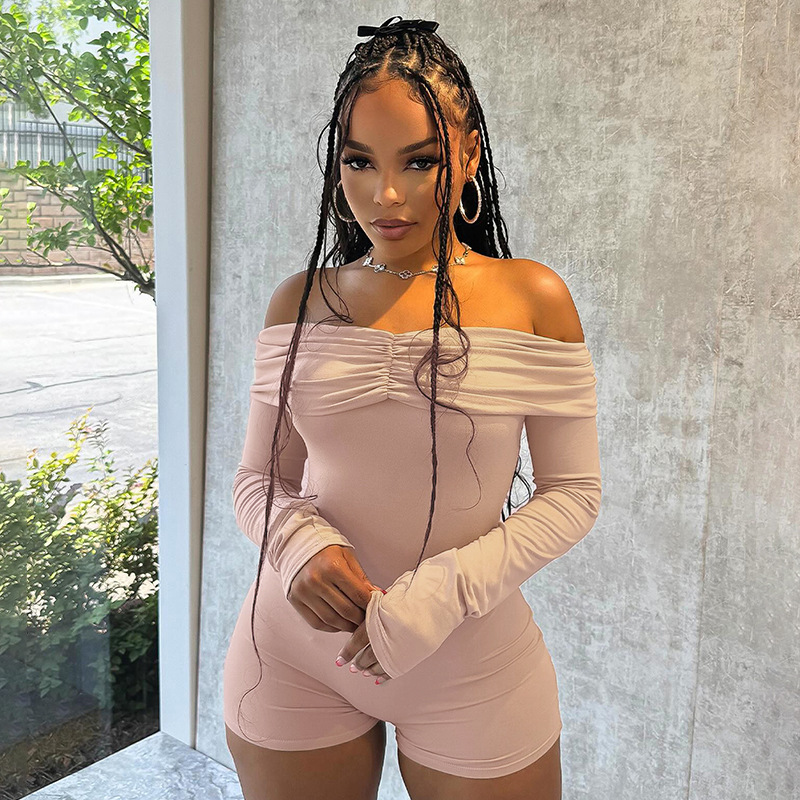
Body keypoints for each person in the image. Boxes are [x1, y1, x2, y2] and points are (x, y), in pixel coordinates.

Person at [222, 16, 602, 800]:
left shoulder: (533, 297)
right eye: (359, 160)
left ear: (469, 155)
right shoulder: (299, 301)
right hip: (290, 655)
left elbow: (573, 493)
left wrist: (442, 594)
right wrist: (297, 546)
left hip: (469, 664)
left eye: (419, 161)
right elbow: (258, 480)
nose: (385, 195)